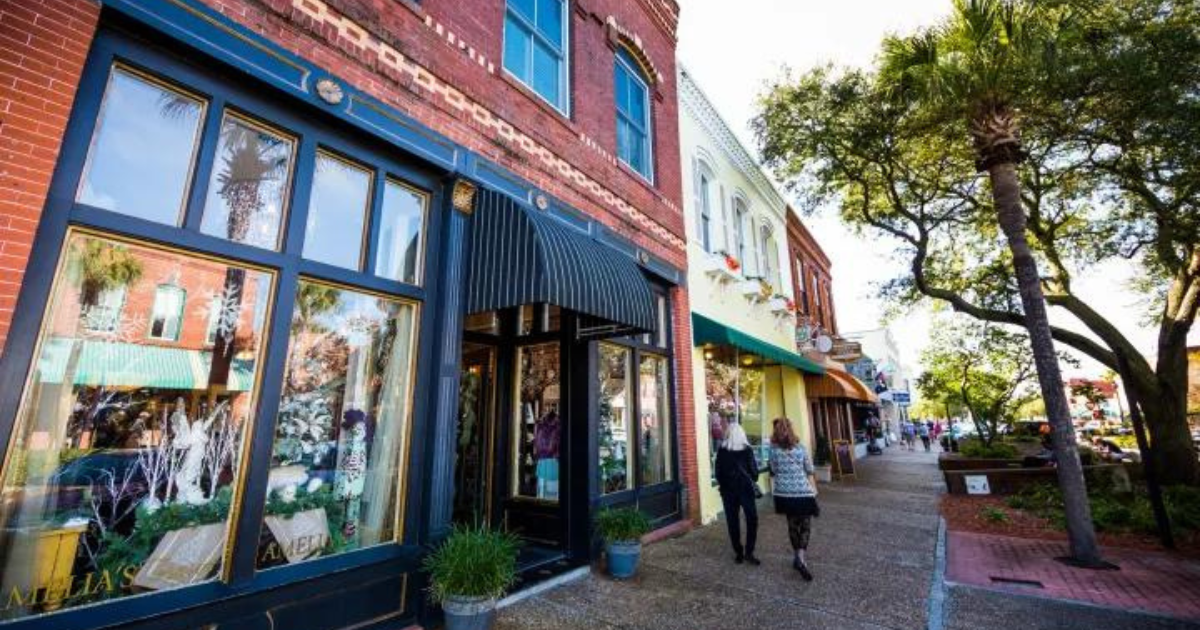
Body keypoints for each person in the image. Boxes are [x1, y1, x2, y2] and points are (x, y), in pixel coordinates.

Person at [768, 418, 819, 581]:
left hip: (784, 493)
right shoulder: (801, 447)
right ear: (791, 430)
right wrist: (814, 489)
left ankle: (797, 557)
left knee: (792, 526)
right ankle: (801, 557)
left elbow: (773, 470)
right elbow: (809, 469)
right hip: (802, 491)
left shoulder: (773, 450)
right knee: (805, 526)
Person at [715, 420, 761, 565]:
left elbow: (718, 474)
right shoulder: (747, 450)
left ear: (728, 434)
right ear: (742, 434)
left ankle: (738, 552)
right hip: (746, 490)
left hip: (728, 492)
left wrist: (725, 483)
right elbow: (755, 474)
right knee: (752, 520)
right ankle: (749, 552)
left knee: (732, 522)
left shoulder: (722, 451)